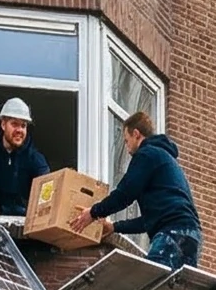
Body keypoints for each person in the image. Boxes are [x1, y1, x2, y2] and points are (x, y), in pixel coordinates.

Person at [85, 110, 201, 268]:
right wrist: (114, 227)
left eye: (126, 141)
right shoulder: (167, 161)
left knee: (153, 284)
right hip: (192, 235)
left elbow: (124, 194)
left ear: (136, 134)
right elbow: (148, 221)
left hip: (172, 233)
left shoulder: (146, 155)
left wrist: (93, 212)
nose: (126, 148)